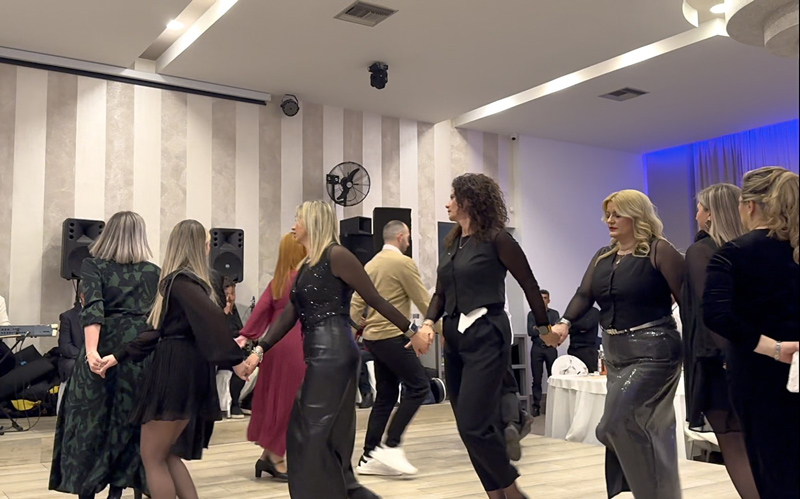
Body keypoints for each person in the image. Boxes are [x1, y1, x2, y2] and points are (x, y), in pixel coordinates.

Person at [245, 200, 431, 499]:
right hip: (320, 356)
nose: (293, 225)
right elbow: (290, 312)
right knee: (314, 437)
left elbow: (375, 299)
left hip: (335, 356)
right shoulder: (306, 264)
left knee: (310, 436)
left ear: (313, 222)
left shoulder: (337, 255)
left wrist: (412, 331)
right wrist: (260, 350)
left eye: (298, 219)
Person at [417, 173, 553, 499]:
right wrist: (428, 322)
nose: (447, 203)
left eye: (453, 197)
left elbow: (529, 283)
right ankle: (497, 493)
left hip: (487, 334)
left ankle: (512, 491)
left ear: (469, 200)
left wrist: (544, 328)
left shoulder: (497, 239)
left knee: (474, 424)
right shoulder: (453, 243)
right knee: (467, 428)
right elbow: (440, 293)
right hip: (454, 339)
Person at [95, 220, 251, 499]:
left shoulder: (180, 281)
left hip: (176, 369)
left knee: (152, 456)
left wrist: (236, 360)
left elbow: (213, 320)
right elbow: (157, 331)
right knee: (166, 454)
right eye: (206, 243)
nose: (208, 249)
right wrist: (118, 356)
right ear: (196, 246)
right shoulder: (189, 283)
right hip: (187, 368)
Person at [551, 189, 684, 499]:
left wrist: (702, 349)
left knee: (613, 423)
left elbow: (687, 301)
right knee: (641, 426)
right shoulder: (603, 256)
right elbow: (584, 294)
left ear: (636, 216)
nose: (609, 220)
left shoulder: (659, 251)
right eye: (607, 214)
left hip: (654, 352)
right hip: (615, 354)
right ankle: (658, 491)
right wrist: (565, 322)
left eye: (617, 214)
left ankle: (654, 492)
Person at [703, 167, 799, 499]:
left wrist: (774, 348)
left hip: (759, 373)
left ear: (749, 206)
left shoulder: (734, 253)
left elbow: (716, 315)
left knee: (772, 467)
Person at [50, 211, 160, 499]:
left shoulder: (93, 265)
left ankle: (86, 490)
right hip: (137, 354)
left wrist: (91, 353)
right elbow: (157, 320)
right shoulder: (154, 272)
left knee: (89, 423)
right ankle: (117, 491)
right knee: (129, 424)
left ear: (108, 234)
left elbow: (93, 309)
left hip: (103, 349)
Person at [681, 183, 757, 498]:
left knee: (733, 445)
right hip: (752, 352)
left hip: (718, 357)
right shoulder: (747, 249)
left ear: (710, 214)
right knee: (752, 444)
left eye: (699, 209)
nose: (696, 215)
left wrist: (727, 355)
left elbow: (709, 308)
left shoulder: (702, 251)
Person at [352, 220, 433, 477]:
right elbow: (423, 300)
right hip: (394, 336)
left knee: (386, 395)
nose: (408, 241)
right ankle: (392, 444)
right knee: (419, 386)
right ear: (400, 237)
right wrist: (440, 328)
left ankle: (368, 456)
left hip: (374, 339)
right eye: (407, 237)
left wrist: (352, 331)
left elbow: (356, 301)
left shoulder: (370, 264)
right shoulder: (403, 263)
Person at [235, 232, 307, 481]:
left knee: (276, 401)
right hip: (297, 345)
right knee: (290, 403)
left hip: (273, 345)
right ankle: (276, 456)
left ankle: (267, 456)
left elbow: (261, 311)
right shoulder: (303, 279)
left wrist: (246, 336)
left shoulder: (278, 281)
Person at [528, 289, 560, 417]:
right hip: (537, 348)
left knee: (553, 377)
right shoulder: (531, 314)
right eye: (540, 298)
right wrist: (547, 329)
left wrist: (538, 328)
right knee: (536, 378)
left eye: (545, 298)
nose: (543, 300)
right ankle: (536, 406)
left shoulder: (554, 314)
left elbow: (555, 331)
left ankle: (554, 405)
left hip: (550, 348)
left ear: (549, 300)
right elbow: (530, 331)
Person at [56, 290, 85, 412]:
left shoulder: (105, 315)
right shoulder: (68, 317)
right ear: (82, 296)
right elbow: (65, 346)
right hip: (74, 357)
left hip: (98, 357)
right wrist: (85, 356)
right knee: (72, 366)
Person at [566, 307, 600, 372]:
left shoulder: (594, 311)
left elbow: (586, 325)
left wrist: (572, 326)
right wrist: (575, 328)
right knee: (573, 373)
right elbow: (566, 327)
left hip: (588, 350)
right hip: (573, 349)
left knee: (590, 374)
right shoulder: (573, 311)